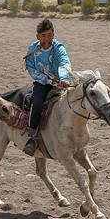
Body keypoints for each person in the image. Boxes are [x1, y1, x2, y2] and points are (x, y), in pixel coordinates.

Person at [22, 19, 71, 156]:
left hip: (61, 81)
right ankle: (32, 136)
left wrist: (64, 78)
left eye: (49, 35)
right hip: (42, 83)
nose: (47, 39)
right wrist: (48, 81)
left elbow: (64, 63)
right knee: (36, 103)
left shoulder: (59, 48)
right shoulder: (32, 50)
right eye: (43, 36)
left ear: (53, 35)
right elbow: (32, 69)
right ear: (38, 36)